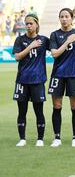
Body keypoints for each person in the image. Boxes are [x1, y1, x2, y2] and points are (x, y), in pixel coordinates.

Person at [48, 8, 75, 148]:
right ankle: (57, 137)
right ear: (59, 19)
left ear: (72, 18)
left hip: (74, 74)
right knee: (57, 106)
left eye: (66, 16)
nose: (64, 19)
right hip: (58, 74)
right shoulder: (55, 35)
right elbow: (55, 54)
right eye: (62, 16)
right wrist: (67, 41)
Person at [13, 14, 50, 147]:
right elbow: (17, 57)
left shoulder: (44, 40)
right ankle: (22, 138)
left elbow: (56, 51)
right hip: (22, 80)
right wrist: (30, 46)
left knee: (38, 110)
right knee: (22, 111)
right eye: (26, 23)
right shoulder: (20, 40)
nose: (28, 26)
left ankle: (40, 139)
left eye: (31, 23)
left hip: (38, 80)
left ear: (37, 25)